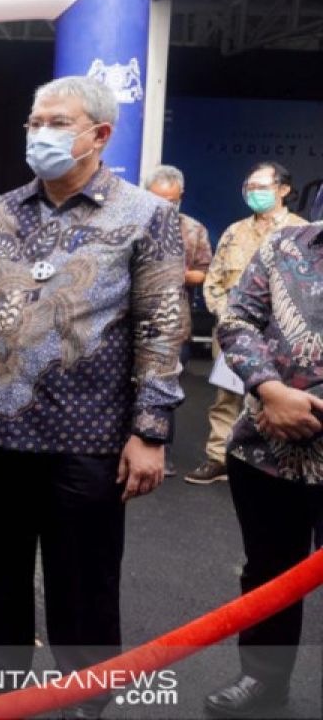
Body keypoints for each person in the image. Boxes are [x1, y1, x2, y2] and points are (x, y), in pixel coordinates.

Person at [0, 76, 183, 717]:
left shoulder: (145, 215)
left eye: (56, 122)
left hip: (87, 440)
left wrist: (151, 430)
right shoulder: (0, 210)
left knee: (83, 590)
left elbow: (162, 325)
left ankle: (87, 702)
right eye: (34, 121)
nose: (39, 133)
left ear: (99, 135)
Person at [206, 221, 323, 717]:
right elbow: (238, 320)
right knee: (269, 573)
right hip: (267, 452)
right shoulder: (285, 245)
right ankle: (262, 678)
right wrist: (269, 390)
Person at [187, 162, 307, 485]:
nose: (254, 194)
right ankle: (218, 457)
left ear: (283, 190)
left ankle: (272, 464)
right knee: (226, 395)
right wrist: (229, 320)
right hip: (233, 332)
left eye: (262, 187)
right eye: (250, 187)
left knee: (277, 396)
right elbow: (213, 280)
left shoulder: (303, 232)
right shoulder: (235, 231)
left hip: (283, 336)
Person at [144, 164, 213, 477]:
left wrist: (178, 274)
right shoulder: (130, 223)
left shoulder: (194, 229)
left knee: (165, 388)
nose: (165, 205)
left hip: (173, 324)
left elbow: (205, 272)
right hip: (130, 321)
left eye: (171, 200)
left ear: (180, 197)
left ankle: (161, 450)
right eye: (158, 198)